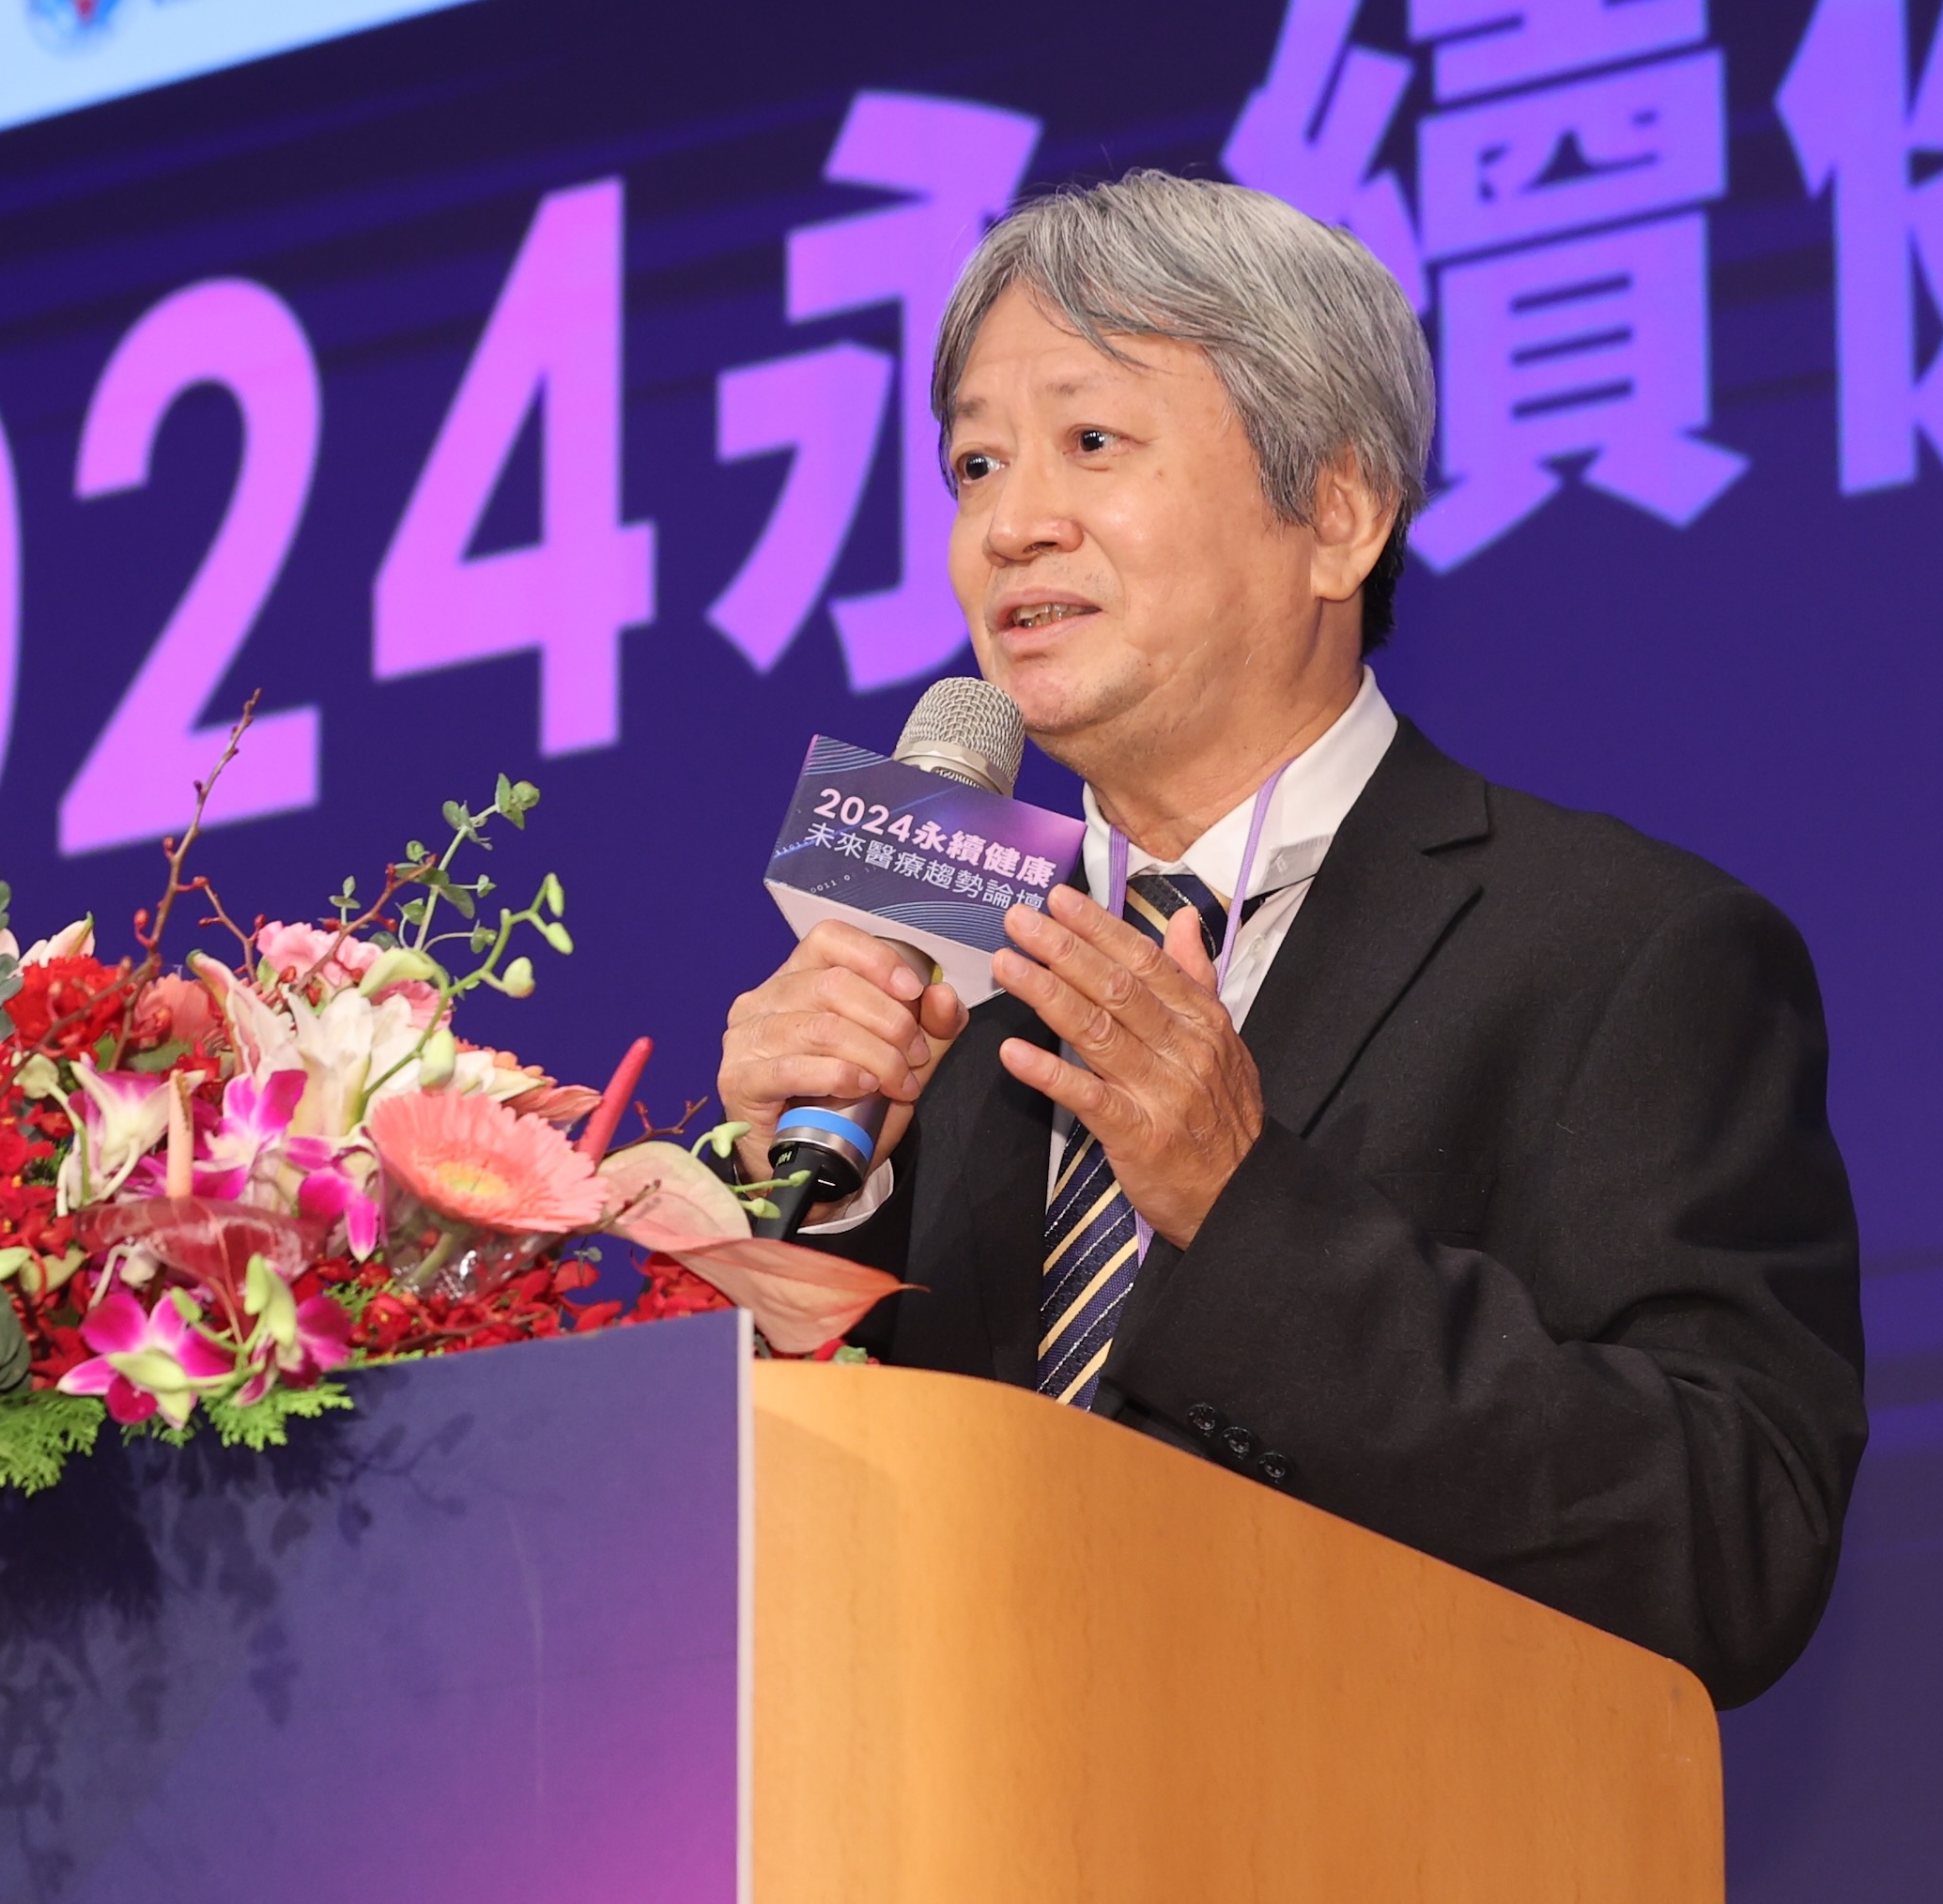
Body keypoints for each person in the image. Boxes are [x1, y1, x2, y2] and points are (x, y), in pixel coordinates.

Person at [715, 171, 1863, 1705]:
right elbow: (781, 1565)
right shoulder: (941, 985)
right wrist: (811, 1205)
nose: (1009, 526)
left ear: (1336, 515)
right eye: (976, 464)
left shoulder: (1628, 950)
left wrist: (1245, 1212)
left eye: (1091, 441)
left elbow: (1735, 1534)